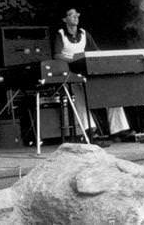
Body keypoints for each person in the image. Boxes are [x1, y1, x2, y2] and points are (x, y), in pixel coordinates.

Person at [53, 8, 134, 142]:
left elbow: (96, 52)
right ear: (64, 19)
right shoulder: (60, 34)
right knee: (79, 98)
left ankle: (119, 128)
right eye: (71, 15)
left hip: (88, 70)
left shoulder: (84, 33)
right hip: (73, 72)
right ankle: (89, 131)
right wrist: (74, 59)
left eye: (76, 15)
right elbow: (57, 55)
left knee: (111, 93)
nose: (75, 17)